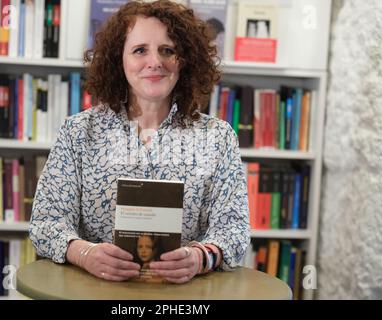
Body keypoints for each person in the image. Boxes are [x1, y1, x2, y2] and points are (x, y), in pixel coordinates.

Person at [29, 0, 250, 284]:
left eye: (167, 50)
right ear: (118, 59)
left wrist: (200, 257)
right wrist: (84, 254)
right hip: (95, 291)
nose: (155, 62)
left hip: (182, 296)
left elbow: (234, 230)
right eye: (139, 50)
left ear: (185, 60)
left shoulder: (218, 137)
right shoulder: (78, 132)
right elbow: (45, 223)